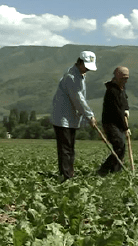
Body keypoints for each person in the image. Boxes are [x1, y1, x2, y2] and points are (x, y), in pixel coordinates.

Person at [50, 50, 99, 181]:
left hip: (71, 118)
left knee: (70, 147)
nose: (87, 70)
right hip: (62, 118)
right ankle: (66, 176)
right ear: (80, 62)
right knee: (65, 148)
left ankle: (69, 173)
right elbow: (78, 99)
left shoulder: (80, 74)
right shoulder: (71, 77)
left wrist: (88, 116)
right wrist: (90, 116)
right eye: (86, 67)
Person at [98, 66, 130, 175]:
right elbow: (117, 111)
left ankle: (115, 170)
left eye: (127, 78)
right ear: (116, 77)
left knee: (121, 146)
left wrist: (127, 109)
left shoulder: (122, 88)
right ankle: (105, 170)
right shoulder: (112, 91)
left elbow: (124, 100)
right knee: (119, 145)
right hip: (110, 122)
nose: (125, 81)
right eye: (123, 78)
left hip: (118, 122)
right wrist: (126, 128)